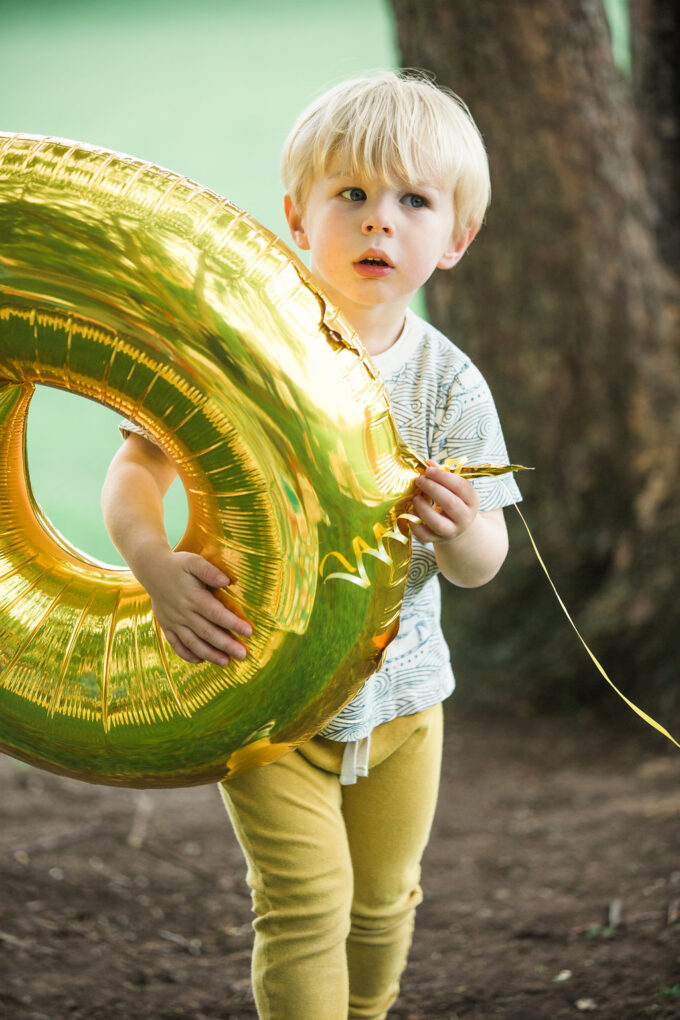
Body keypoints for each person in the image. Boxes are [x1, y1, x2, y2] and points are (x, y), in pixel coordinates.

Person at [102, 71, 521, 1020]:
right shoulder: (240, 355)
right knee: (304, 904)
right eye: (353, 195)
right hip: (268, 691)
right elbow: (134, 475)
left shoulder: (450, 386)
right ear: (297, 216)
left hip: (407, 699)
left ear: (455, 239)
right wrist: (155, 566)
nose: (380, 223)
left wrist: (461, 534)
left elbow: (485, 558)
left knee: (382, 903)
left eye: (414, 201)